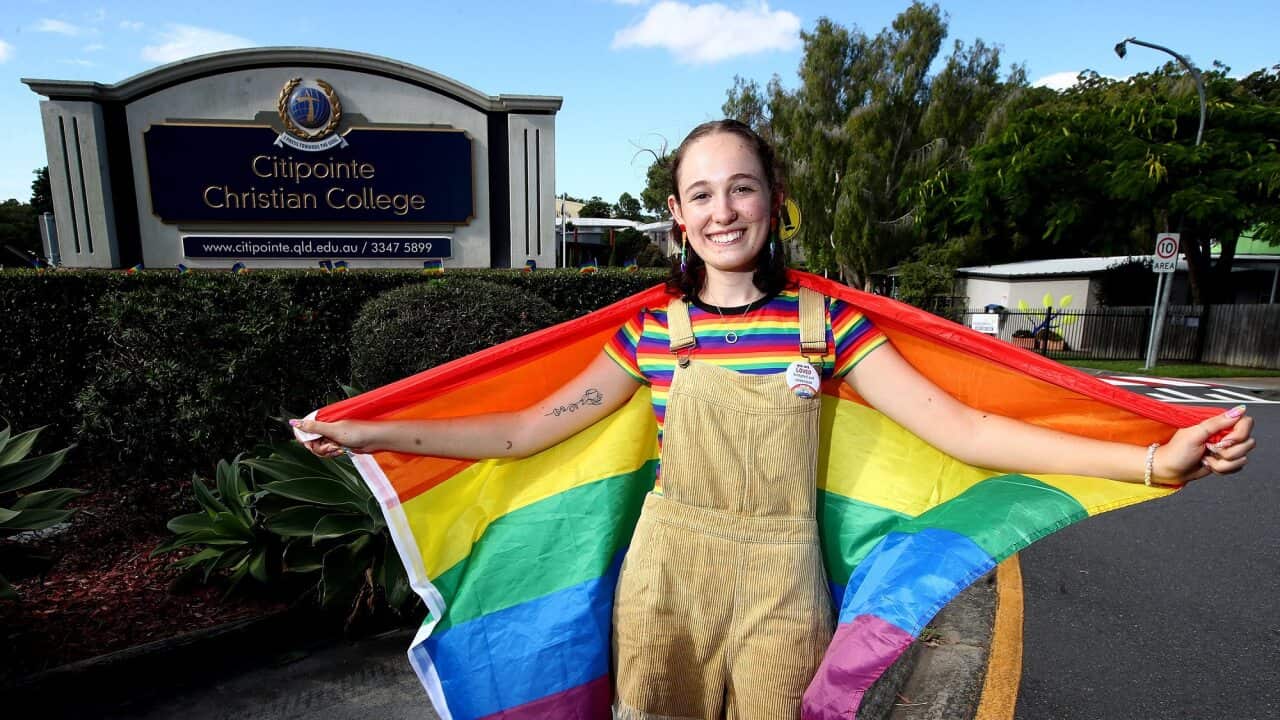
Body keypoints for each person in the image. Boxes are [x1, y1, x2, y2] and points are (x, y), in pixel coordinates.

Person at [293, 119, 1255, 719]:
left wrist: (1148, 460)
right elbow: (521, 432)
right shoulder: (649, 331)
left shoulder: (824, 325)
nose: (723, 210)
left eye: (741, 187)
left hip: (784, 583)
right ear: (676, 215)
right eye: (701, 194)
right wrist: (377, 434)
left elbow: (961, 430)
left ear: (774, 203)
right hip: (666, 575)